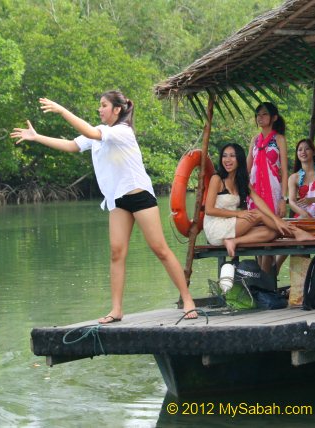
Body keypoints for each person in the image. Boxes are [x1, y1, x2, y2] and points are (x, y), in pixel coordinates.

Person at [10, 90, 197, 322]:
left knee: (160, 249)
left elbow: (89, 131)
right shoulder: (100, 134)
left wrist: (61, 110)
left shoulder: (121, 131)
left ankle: (187, 299)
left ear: (116, 110)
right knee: (116, 253)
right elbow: (71, 145)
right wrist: (37, 137)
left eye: (103, 105)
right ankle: (116, 310)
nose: (99, 109)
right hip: (117, 199)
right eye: (100, 105)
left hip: (139, 195)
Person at [204, 143, 315, 261]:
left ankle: (233, 241)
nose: (227, 160)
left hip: (231, 227)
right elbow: (209, 210)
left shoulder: (241, 181)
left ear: (239, 159)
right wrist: (238, 214)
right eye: (224, 156)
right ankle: (296, 232)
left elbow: (258, 200)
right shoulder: (217, 179)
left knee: (272, 232)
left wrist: (276, 220)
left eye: (232, 156)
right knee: (257, 214)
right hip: (215, 228)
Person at [246, 102, 288, 273]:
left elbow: (284, 171)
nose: (260, 118)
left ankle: (266, 284)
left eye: (264, 114)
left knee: (269, 242)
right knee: (258, 240)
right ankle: (265, 284)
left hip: (273, 193)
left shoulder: (279, 139)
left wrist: (283, 199)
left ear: (274, 118)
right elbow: (247, 170)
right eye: (258, 115)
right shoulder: (254, 140)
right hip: (255, 193)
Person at [288, 138, 315, 219]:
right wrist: (304, 214)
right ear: (297, 153)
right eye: (300, 150)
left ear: (314, 152)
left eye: (307, 148)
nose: (303, 152)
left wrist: (312, 200)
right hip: (304, 216)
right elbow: (291, 201)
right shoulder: (293, 178)